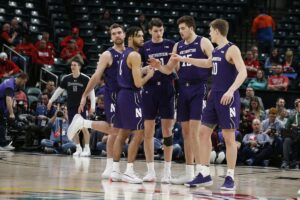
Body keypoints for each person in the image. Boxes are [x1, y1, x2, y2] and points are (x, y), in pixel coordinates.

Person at [168, 19, 247, 190]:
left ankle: (230, 176)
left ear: (217, 31)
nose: (209, 33)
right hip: (214, 97)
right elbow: (205, 63)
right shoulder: (217, 51)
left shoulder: (232, 49)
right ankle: (204, 173)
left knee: (229, 138)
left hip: (228, 97)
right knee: (203, 133)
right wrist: (182, 58)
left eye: (211, 30)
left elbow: (243, 72)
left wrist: (230, 90)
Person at [149, 15, 214, 185]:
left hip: (198, 88)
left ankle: (202, 172)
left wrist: (185, 59)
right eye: (179, 29)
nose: (180, 31)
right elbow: (168, 69)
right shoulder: (178, 46)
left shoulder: (203, 42)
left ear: (191, 28)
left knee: (194, 132)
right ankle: (189, 172)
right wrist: (158, 66)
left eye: (183, 28)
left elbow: (211, 63)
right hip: (182, 90)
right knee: (186, 133)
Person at [67, 23, 126, 178]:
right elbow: (96, 76)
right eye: (114, 33)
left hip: (126, 96)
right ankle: (84, 123)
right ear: (111, 37)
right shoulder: (107, 54)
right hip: (112, 95)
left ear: (124, 34)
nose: (117, 35)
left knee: (117, 133)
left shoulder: (131, 53)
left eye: (119, 32)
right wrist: (84, 95)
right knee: (115, 130)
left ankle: (110, 169)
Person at [110, 26, 154, 184]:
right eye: (139, 36)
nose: (143, 38)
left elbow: (129, 74)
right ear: (130, 38)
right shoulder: (135, 55)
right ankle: (129, 171)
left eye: (143, 36)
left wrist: (141, 70)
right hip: (131, 96)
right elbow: (137, 83)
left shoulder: (124, 54)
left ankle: (115, 171)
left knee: (122, 134)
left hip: (122, 95)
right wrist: (148, 75)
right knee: (140, 133)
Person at [138, 18, 176, 183]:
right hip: (149, 90)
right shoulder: (144, 47)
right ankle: (150, 171)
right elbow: (136, 70)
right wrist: (146, 69)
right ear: (149, 31)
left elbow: (174, 67)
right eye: (155, 31)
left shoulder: (171, 44)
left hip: (167, 88)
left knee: (167, 132)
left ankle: (167, 171)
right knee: (148, 131)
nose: (158, 33)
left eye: (160, 30)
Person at [47, 59, 95, 156]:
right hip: (71, 107)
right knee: (73, 128)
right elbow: (58, 91)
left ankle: (87, 149)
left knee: (84, 128)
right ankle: (78, 148)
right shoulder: (66, 78)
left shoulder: (85, 78)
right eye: (71, 65)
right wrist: (51, 100)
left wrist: (93, 106)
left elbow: (92, 92)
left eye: (75, 65)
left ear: (79, 67)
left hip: (81, 107)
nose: (72, 66)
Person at [0, 73, 28, 150]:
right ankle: (2, 145)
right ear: (21, 78)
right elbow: (8, 99)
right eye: (24, 82)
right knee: (2, 124)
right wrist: (11, 113)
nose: (24, 84)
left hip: (2, 105)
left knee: (2, 123)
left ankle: (3, 144)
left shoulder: (11, 81)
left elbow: (10, 98)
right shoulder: (10, 85)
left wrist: (12, 105)